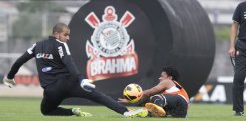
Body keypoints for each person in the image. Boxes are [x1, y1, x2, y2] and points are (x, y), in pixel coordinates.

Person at [3, 23, 148, 118]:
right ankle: (125, 112)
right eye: (66, 34)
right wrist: (80, 79)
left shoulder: (36, 46)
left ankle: (71, 112)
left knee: (46, 111)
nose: (68, 37)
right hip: (69, 83)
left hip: (51, 90)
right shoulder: (60, 44)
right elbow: (69, 62)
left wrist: (9, 77)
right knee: (98, 96)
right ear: (57, 34)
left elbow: (19, 61)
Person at [118, 65, 189, 118]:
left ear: (169, 78)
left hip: (181, 103)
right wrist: (132, 101)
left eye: (162, 76)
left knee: (156, 97)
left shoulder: (168, 81)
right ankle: (146, 112)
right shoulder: (173, 88)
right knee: (151, 102)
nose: (159, 78)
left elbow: (151, 91)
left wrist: (132, 98)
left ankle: (151, 111)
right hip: (179, 113)